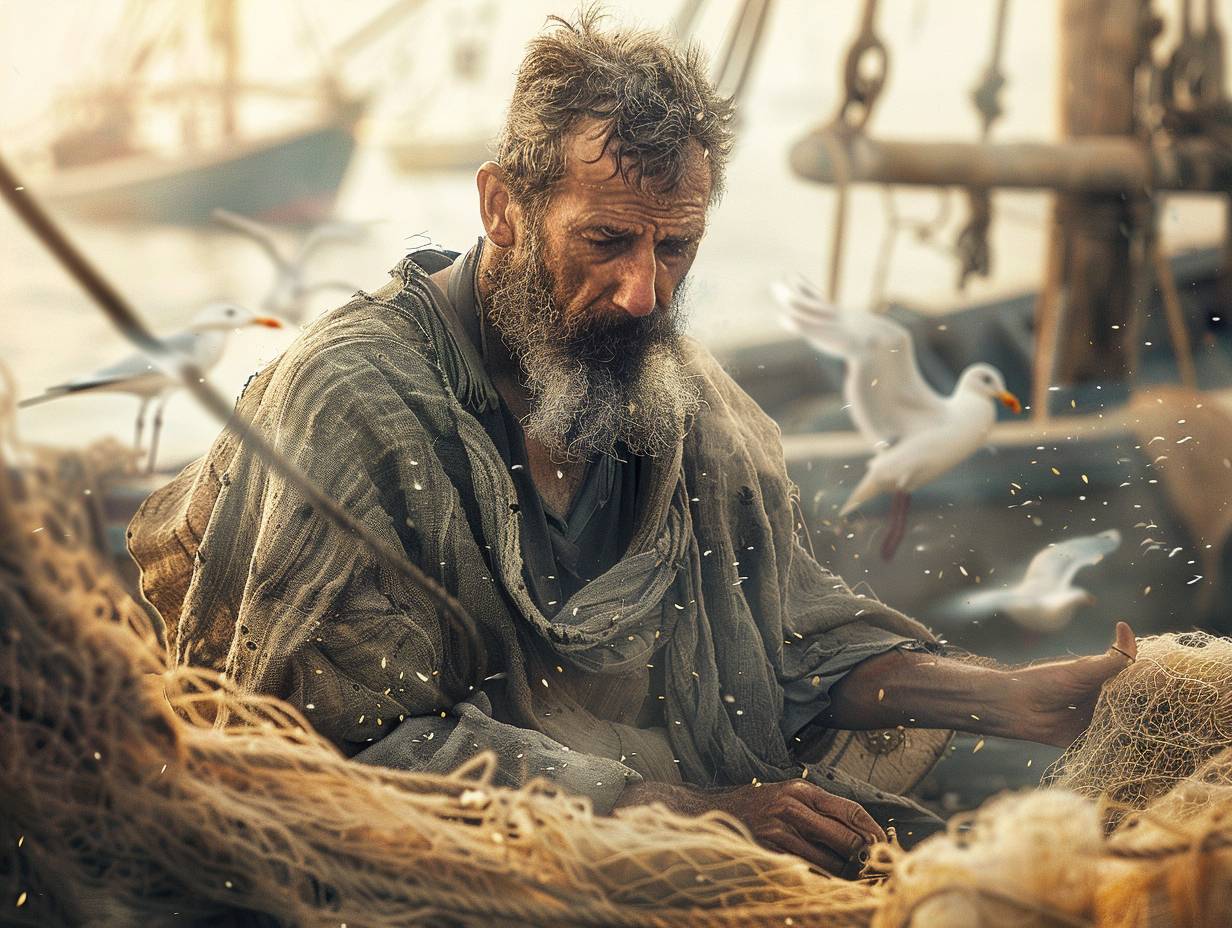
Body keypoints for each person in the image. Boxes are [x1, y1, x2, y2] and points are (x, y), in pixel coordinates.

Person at [128, 11, 1137, 877]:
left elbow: (782, 643)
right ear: (501, 208)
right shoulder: (348, 411)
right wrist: (679, 814)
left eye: (677, 246)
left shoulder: (684, 407)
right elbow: (337, 750)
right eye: (606, 240)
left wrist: (1010, 700)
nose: (644, 292)